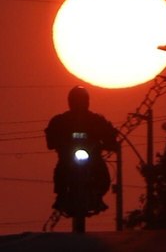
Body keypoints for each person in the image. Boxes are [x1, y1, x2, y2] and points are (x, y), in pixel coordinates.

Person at [45, 86, 119, 216]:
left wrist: (111, 143)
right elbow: (51, 137)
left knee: (102, 174)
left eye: (81, 100)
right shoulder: (60, 121)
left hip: (93, 157)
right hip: (67, 157)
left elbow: (109, 134)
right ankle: (61, 195)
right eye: (76, 100)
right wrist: (56, 143)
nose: (79, 103)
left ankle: (98, 196)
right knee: (60, 170)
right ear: (70, 101)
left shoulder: (96, 120)